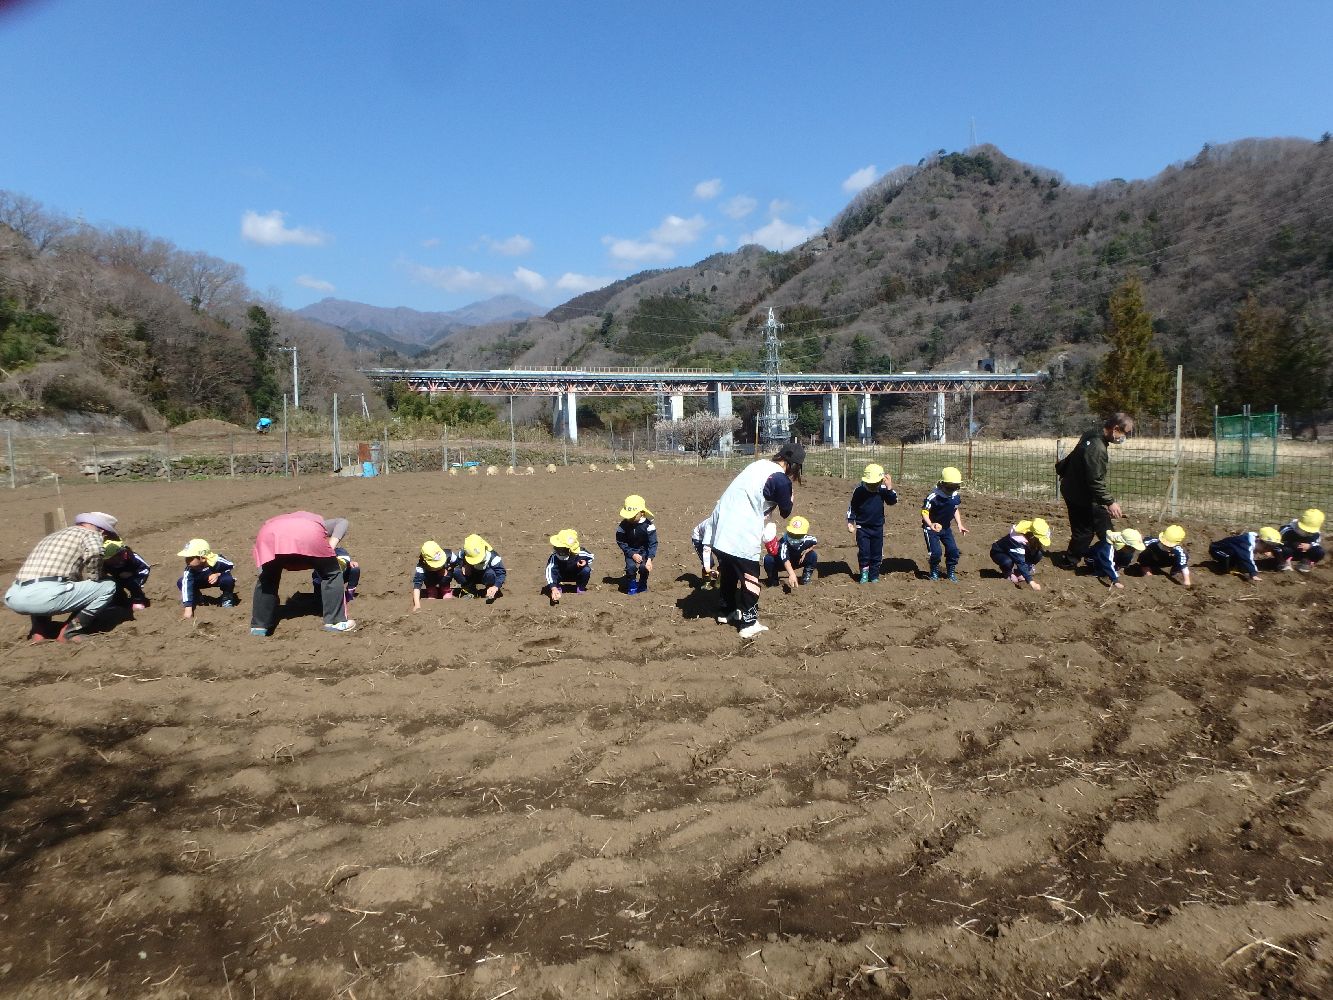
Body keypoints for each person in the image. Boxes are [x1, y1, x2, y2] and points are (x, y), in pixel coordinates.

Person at [709, 441, 804, 639]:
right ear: (794, 466)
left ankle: (726, 611)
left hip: (721, 524)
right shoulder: (780, 479)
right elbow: (785, 511)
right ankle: (749, 623)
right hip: (742, 529)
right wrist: (791, 498)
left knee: (729, 570)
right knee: (750, 576)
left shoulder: (758, 465)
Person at [4, 511, 120, 643]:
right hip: (44, 597)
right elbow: (95, 552)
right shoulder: (91, 534)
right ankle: (70, 632)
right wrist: (95, 576)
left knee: (43, 586)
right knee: (108, 586)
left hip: (14, 596)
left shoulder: (53, 536)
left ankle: (39, 632)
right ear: (103, 532)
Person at [250, 512, 354, 635]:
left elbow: (262, 563)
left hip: (268, 536)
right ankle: (335, 621)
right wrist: (331, 546)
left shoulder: (274, 522)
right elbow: (343, 522)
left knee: (268, 579)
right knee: (332, 573)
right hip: (308, 536)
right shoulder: (317, 522)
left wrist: (265, 575)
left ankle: (259, 626)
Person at [1057, 413, 1133, 565]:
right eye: (1125, 433)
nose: (1124, 437)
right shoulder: (1097, 448)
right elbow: (1095, 480)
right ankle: (1073, 561)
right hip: (1081, 494)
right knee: (1085, 531)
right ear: (1115, 429)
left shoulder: (1092, 434)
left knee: (1100, 525)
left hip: (1074, 488)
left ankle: (1111, 554)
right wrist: (1110, 502)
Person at [845, 463, 898, 583]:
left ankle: (874, 575)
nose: (873, 486)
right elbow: (852, 507)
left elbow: (893, 501)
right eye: (870, 484)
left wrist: (889, 487)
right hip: (862, 527)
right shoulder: (859, 490)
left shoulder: (883, 490)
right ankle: (864, 573)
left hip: (877, 527)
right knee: (864, 552)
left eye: (875, 484)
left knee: (876, 553)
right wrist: (850, 521)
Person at [920, 467, 969, 581]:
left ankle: (950, 571)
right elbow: (924, 512)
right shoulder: (933, 497)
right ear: (942, 484)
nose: (952, 490)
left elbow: (955, 509)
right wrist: (931, 524)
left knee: (953, 551)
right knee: (936, 552)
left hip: (946, 528)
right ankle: (934, 571)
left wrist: (959, 524)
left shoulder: (955, 496)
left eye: (955, 487)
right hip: (931, 529)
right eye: (949, 487)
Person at [177, 538, 238, 619]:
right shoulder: (189, 569)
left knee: (228, 579)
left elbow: (230, 566)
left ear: (202, 558)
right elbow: (186, 585)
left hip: (216, 580)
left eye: (190, 558)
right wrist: (188, 608)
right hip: (200, 582)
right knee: (181, 582)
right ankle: (197, 598)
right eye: (186, 558)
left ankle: (227, 598)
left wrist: (217, 574)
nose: (187, 561)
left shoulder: (217, 561)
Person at [990, 517, 1050, 590]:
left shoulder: (1032, 532)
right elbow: (1020, 562)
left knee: (1038, 554)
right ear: (1032, 536)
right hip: (1000, 553)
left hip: (1017, 552)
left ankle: (1019, 572)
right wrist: (1031, 582)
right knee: (1007, 562)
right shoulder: (1016, 540)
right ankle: (1008, 572)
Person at [615, 494, 658, 595]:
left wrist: (649, 559)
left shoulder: (649, 526)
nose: (629, 518)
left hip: (644, 551)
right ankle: (632, 584)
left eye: (633, 515)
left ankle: (642, 583)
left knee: (644, 568)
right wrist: (632, 554)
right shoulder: (623, 525)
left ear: (642, 513)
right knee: (630, 567)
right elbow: (620, 541)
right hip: (630, 550)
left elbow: (653, 543)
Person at [1210, 526, 1285, 582]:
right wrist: (1253, 574)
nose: (1266, 550)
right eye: (1266, 547)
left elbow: (1276, 549)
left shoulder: (1252, 540)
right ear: (1259, 541)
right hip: (1217, 549)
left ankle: (1234, 566)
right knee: (1230, 557)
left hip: (1230, 550)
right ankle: (1225, 569)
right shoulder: (1247, 544)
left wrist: (1280, 561)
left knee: (1238, 555)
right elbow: (1247, 558)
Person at [765, 515, 819, 589]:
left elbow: (815, 542)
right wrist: (792, 574)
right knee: (768, 559)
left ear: (804, 535)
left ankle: (806, 578)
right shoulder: (783, 542)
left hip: (797, 561)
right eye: (791, 534)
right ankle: (773, 581)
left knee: (813, 555)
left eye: (797, 535)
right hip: (782, 563)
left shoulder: (808, 539)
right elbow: (785, 559)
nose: (794, 537)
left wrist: (807, 551)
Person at [544, 529, 593, 605]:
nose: (558, 550)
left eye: (561, 549)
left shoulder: (581, 553)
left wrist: (585, 562)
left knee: (586, 569)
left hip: (575, 574)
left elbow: (591, 557)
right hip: (561, 576)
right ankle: (557, 587)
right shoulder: (554, 557)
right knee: (554, 571)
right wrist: (553, 588)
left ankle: (580, 587)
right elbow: (549, 571)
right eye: (557, 548)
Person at [452, 533, 506, 602]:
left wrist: (495, 586)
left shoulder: (494, 557)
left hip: (486, 577)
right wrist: (464, 565)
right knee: (457, 571)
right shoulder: (464, 552)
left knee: (490, 573)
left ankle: (489, 591)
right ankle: (470, 590)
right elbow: (458, 560)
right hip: (471, 574)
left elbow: (501, 573)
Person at [102, 539, 151, 609]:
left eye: (111, 559)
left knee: (133, 584)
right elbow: (102, 572)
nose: (109, 561)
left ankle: (138, 600)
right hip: (117, 577)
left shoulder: (132, 558)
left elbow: (145, 568)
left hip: (134, 576)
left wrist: (133, 574)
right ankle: (120, 601)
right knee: (113, 585)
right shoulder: (107, 563)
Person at [411, 541, 456, 610]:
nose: (437, 567)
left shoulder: (449, 555)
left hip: (444, 576)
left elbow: (458, 564)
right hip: (430, 577)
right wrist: (417, 605)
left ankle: (446, 590)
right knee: (427, 576)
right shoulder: (421, 567)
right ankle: (432, 591)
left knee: (446, 574)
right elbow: (417, 585)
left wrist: (449, 568)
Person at [1278, 508, 1324, 573]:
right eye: (1305, 530)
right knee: (1285, 549)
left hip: (1303, 554)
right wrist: (1293, 543)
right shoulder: (1289, 530)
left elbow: (1317, 543)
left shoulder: (1316, 533)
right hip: (1289, 551)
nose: (1308, 533)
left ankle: (1305, 562)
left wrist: (1310, 546)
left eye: (1310, 532)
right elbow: (1277, 540)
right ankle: (1285, 562)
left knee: (1320, 551)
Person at [690, 515, 718, 587]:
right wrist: (708, 568)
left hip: (715, 539)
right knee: (709, 562)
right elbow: (706, 549)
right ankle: (706, 582)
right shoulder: (710, 527)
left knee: (723, 560)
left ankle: (719, 581)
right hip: (699, 538)